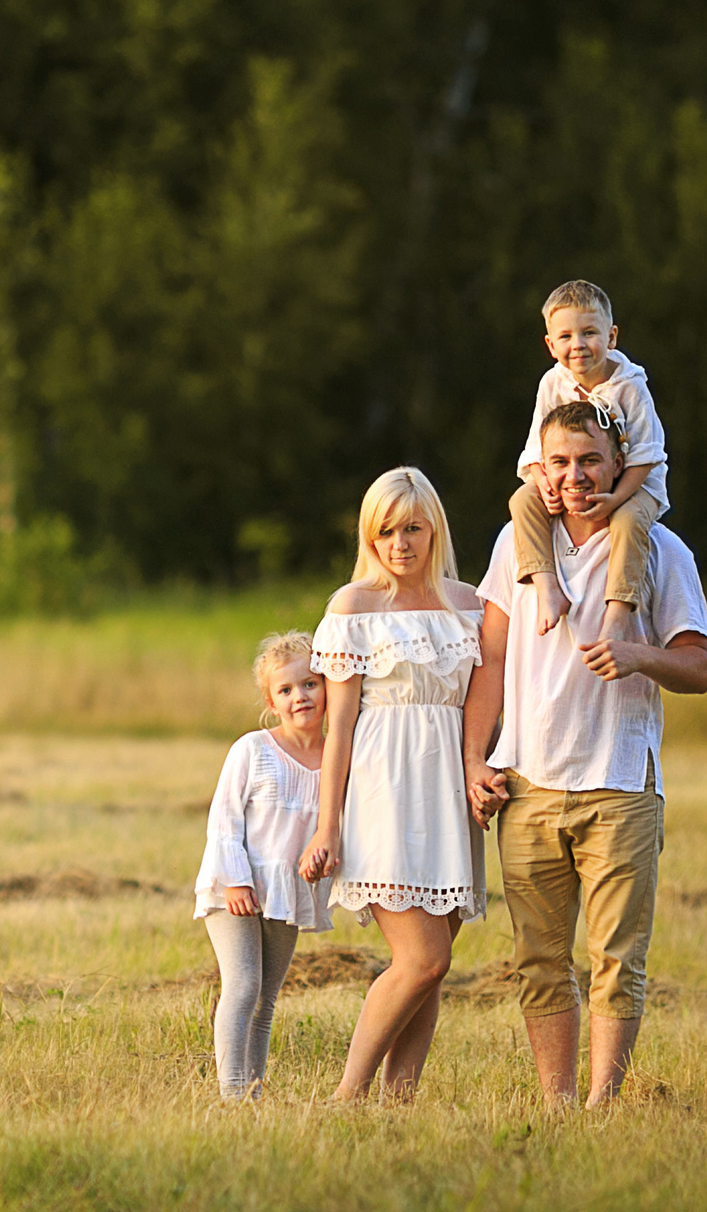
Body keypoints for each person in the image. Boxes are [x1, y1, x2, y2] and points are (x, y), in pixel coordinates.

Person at [469, 402, 707, 1108]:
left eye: (589, 461)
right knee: (539, 961)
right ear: (539, 470)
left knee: (616, 961)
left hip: (619, 783)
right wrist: (474, 760)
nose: (574, 477)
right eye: (560, 463)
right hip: (527, 782)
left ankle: (604, 1107)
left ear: (618, 465)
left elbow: (699, 668)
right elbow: (489, 659)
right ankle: (558, 1104)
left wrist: (636, 652)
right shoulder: (515, 544)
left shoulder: (662, 551)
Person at [300, 467, 499, 1101]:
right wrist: (326, 826)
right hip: (385, 794)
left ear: (433, 528)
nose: (400, 545)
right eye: (385, 531)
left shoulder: (470, 605)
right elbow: (338, 732)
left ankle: (399, 1103)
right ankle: (347, 1098)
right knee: (423, 959)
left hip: (450, 796)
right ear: (370, 535)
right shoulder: (354, 607)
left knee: (432, 968)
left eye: (412, 529)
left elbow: (488, 700)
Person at [194, 632, 335, 1100]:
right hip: (235, 886)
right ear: (271, 702)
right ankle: (233, 1095)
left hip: (285, 891)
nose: (301, 697)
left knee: (266, 999)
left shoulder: (337, 759)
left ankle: (252, 1091)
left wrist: (322, 864)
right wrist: (234, 881)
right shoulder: (253, 750)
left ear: (329, 685)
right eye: (286, 690)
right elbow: (224, 821)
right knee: (244, 983)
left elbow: (333, 828)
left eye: (310, 684)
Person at [507, 280, 670, 645]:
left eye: (589, 332)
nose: (577, 344)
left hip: (634, 485)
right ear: (551, 345)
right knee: (521, 501)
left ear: (611, 337)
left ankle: (617, 614)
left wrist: (616, 499)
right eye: (565, 336)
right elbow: (536, 447)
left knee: (627, 524)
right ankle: (548, 587)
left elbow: (648, 454)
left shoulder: (630, 386)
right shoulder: (553, 383)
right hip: (569, 479)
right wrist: (544, 482)